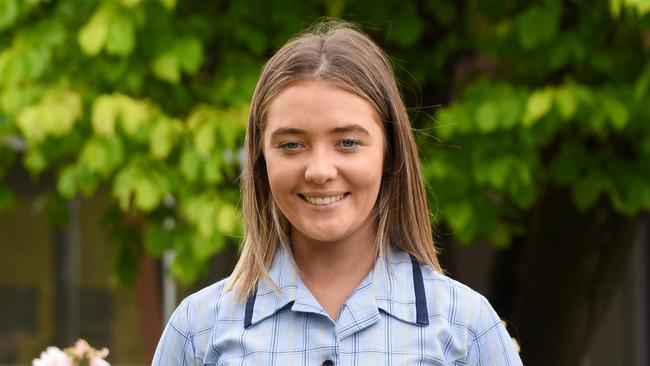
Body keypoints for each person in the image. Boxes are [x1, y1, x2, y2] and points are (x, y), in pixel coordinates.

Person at [153, 20, 523, 366]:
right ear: (260, 159)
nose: (319, 171)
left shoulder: (467, 328)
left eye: (347, 142)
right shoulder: (198, 330)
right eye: (292, 145)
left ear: (389, 152)